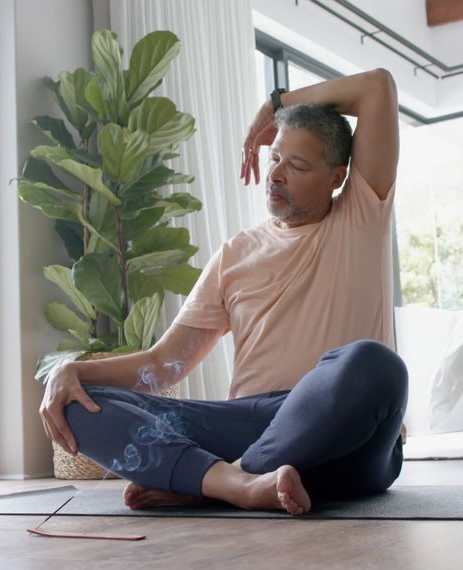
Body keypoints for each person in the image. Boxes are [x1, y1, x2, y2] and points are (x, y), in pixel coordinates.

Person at [39, 68, 405, 516]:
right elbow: (161, 365)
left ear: (336, 177)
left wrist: (274, 107)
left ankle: (217, 481)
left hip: (345, 438)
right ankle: (241, 484)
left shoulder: (362, 214)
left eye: (298, 165)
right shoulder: (236, 254)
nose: (276, 175)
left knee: (374, 364)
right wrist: (72, 372)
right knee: (80, 405)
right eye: (274, 159)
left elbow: (377, 88)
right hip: (250, 423)